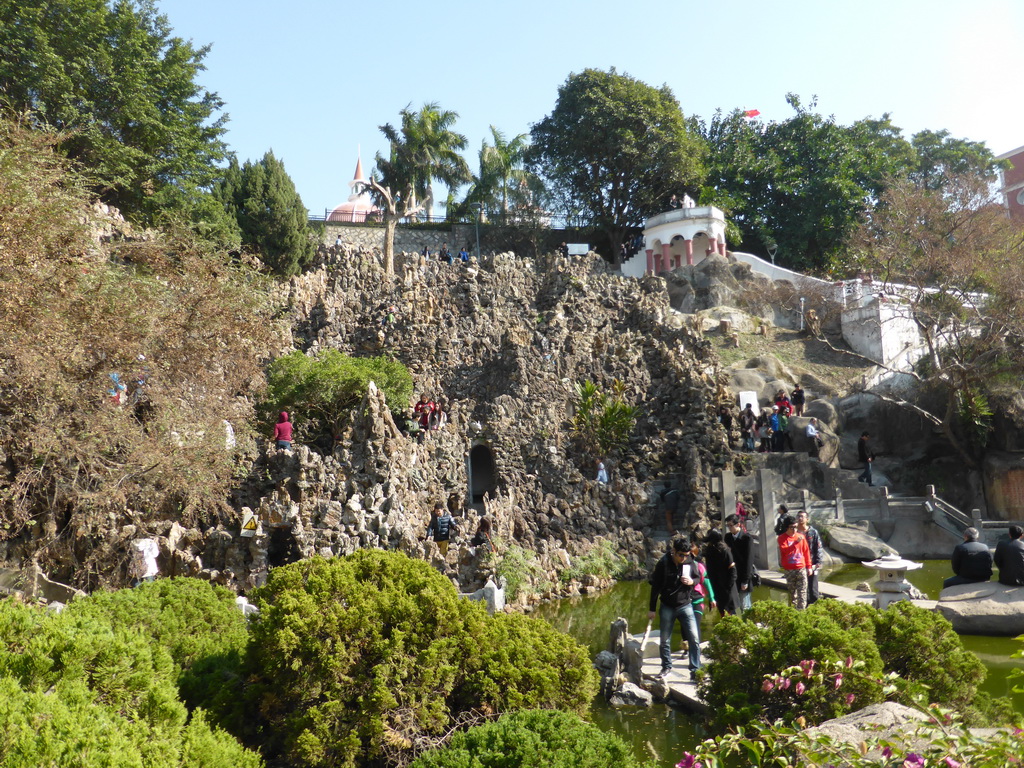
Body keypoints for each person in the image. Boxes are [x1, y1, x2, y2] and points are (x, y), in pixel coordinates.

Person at [648, 538, 702, 680]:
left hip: (686, 604)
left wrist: (692, 582)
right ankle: (666, 667)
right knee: (665, 639)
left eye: (686, 555)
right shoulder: (663, 564)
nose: (684, 558)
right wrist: (652, 608)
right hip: (667, 605)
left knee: (694, 638)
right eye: (681, 555)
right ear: (673, 552)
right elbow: (655, 587)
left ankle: (695, 669)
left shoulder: (689, 560)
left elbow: (698, 578)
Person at [777, 513, 813, 609]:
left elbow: (806, 552)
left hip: (801, 568)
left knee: (803, 593)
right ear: (787, 527)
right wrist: (795, 543)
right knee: (793, 594)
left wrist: (809, 567)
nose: (794, 530)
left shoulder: (801, 536)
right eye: (792, 527)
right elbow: (785, 551)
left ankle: (802, 614)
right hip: (789, 569)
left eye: (795, 527)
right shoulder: (782, 538)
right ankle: (793, 613)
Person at [703, 529, 739, 616]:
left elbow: (732, 570)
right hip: (717, 585)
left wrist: (728, 585)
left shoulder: (724, 550)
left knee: (729, 612)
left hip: (725, 586)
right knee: (723, 611)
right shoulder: (710, 551)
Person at [725, 513, 754, 614]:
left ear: (738, 524)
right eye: (727, 525)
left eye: (731, 525)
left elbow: (749, 561)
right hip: (731, 575)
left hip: (743, 575)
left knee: (745, 606)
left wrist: (745, 580)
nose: (729, 528)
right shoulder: (728, 537)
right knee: (731, 605)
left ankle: (749, 627)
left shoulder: (747, 539)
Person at [688, 540, 715, 640]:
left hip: (697, 599)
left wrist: (712, 598)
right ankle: (687, 647)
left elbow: (707, 582)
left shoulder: (699, 566)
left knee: (695, 624)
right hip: (684, 601)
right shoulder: (680, 566)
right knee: (686, 626)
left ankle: (696, 646)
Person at [797, 511, 824, 604]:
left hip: (811, 563)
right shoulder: (794, 532)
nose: (800, 518)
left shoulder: (813, 532)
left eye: (802, 517)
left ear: (807, 519)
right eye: (798, 516)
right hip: (799, 564)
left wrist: (818, 562)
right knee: (802, 588)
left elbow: (818, 547)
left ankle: (814, 606)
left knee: (813, 588)